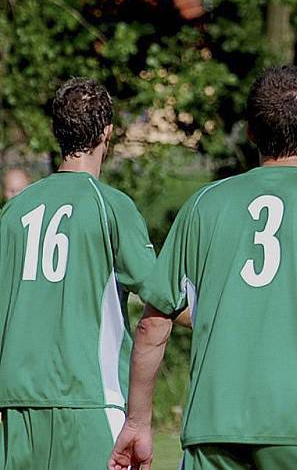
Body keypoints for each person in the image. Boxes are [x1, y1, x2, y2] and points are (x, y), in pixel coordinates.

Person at [109, 66, 297, 470]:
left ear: (250, 132)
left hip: (212, 429)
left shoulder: (202, 204)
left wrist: (137, 422)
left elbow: (151, 326)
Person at [0, 78, 157, 468]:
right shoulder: (111, 206)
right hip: (88, 397)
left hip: (17, 404)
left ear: (57, 133)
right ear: (107, 132)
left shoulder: (14, 212)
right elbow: (163, 297)